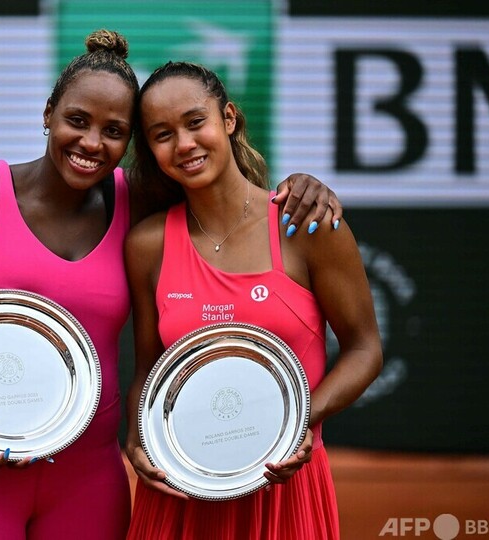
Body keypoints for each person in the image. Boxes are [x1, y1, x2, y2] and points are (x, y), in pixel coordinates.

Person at [0, 30, 344, 540]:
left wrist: (304, 184)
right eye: (77, 121)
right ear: (47, 114)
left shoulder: (139, 205)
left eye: (114, 130)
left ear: (130, 143)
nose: (90, 143)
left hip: (88, 483)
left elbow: (221, 186)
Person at [123, 61, 384, 540]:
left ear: (229, 118)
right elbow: (148, 369)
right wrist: (138, 439)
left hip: (282, 489)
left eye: (195, 122)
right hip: (181, 491)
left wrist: (303, 420)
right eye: (162, 134)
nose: (183, 144)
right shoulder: (147, 245)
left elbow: (365, 348)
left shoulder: (306, 225)